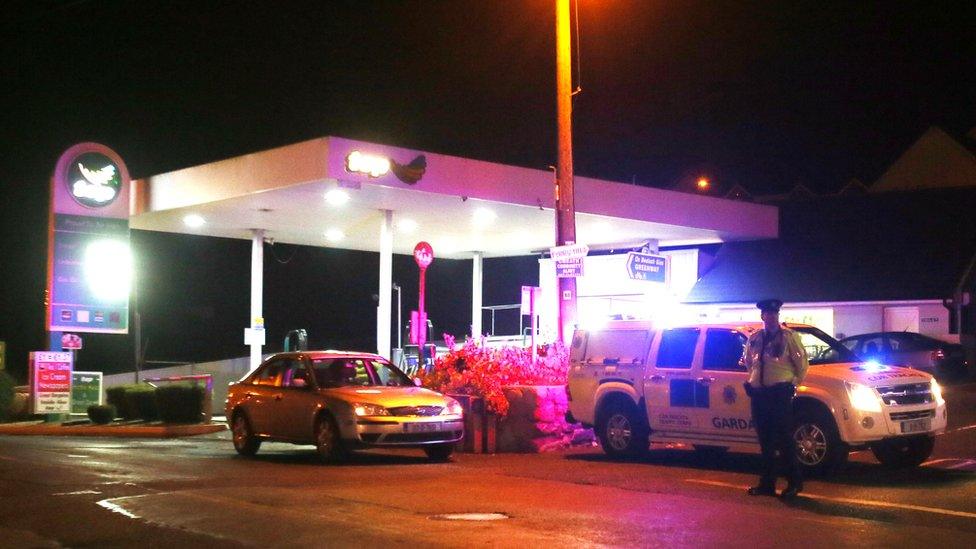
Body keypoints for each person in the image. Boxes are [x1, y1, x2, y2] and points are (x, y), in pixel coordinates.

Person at [743, 298, 809, 499]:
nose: (770, 317)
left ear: (778, 316)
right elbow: (749, 362)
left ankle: (794, 483)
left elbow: (802, 365)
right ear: (762, 316)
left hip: (779, 394)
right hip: (759, 395)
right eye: (767, 314)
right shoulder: (754, 338)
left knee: (784, 440)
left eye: (774, 314)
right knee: (765, 441)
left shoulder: (788, 337)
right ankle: (767, 484)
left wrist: (792, 385)